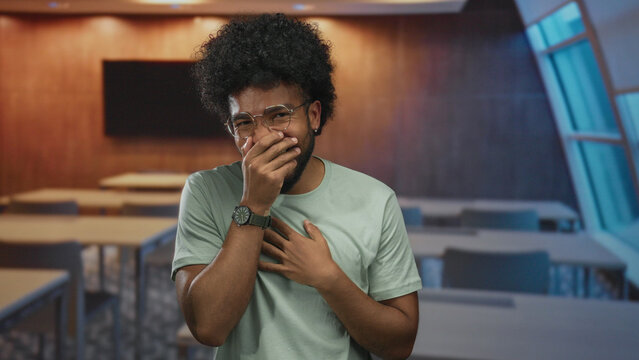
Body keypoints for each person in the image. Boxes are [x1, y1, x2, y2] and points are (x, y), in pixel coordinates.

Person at [172, 13, 422, 360]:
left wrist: (329, 278)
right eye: (244, 123)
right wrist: (254, 205)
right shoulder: (204, 191)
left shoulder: (375, 200)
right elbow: (208, 328)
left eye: (278, 115)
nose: (261, 138)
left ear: (314, 116)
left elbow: (399, 345)